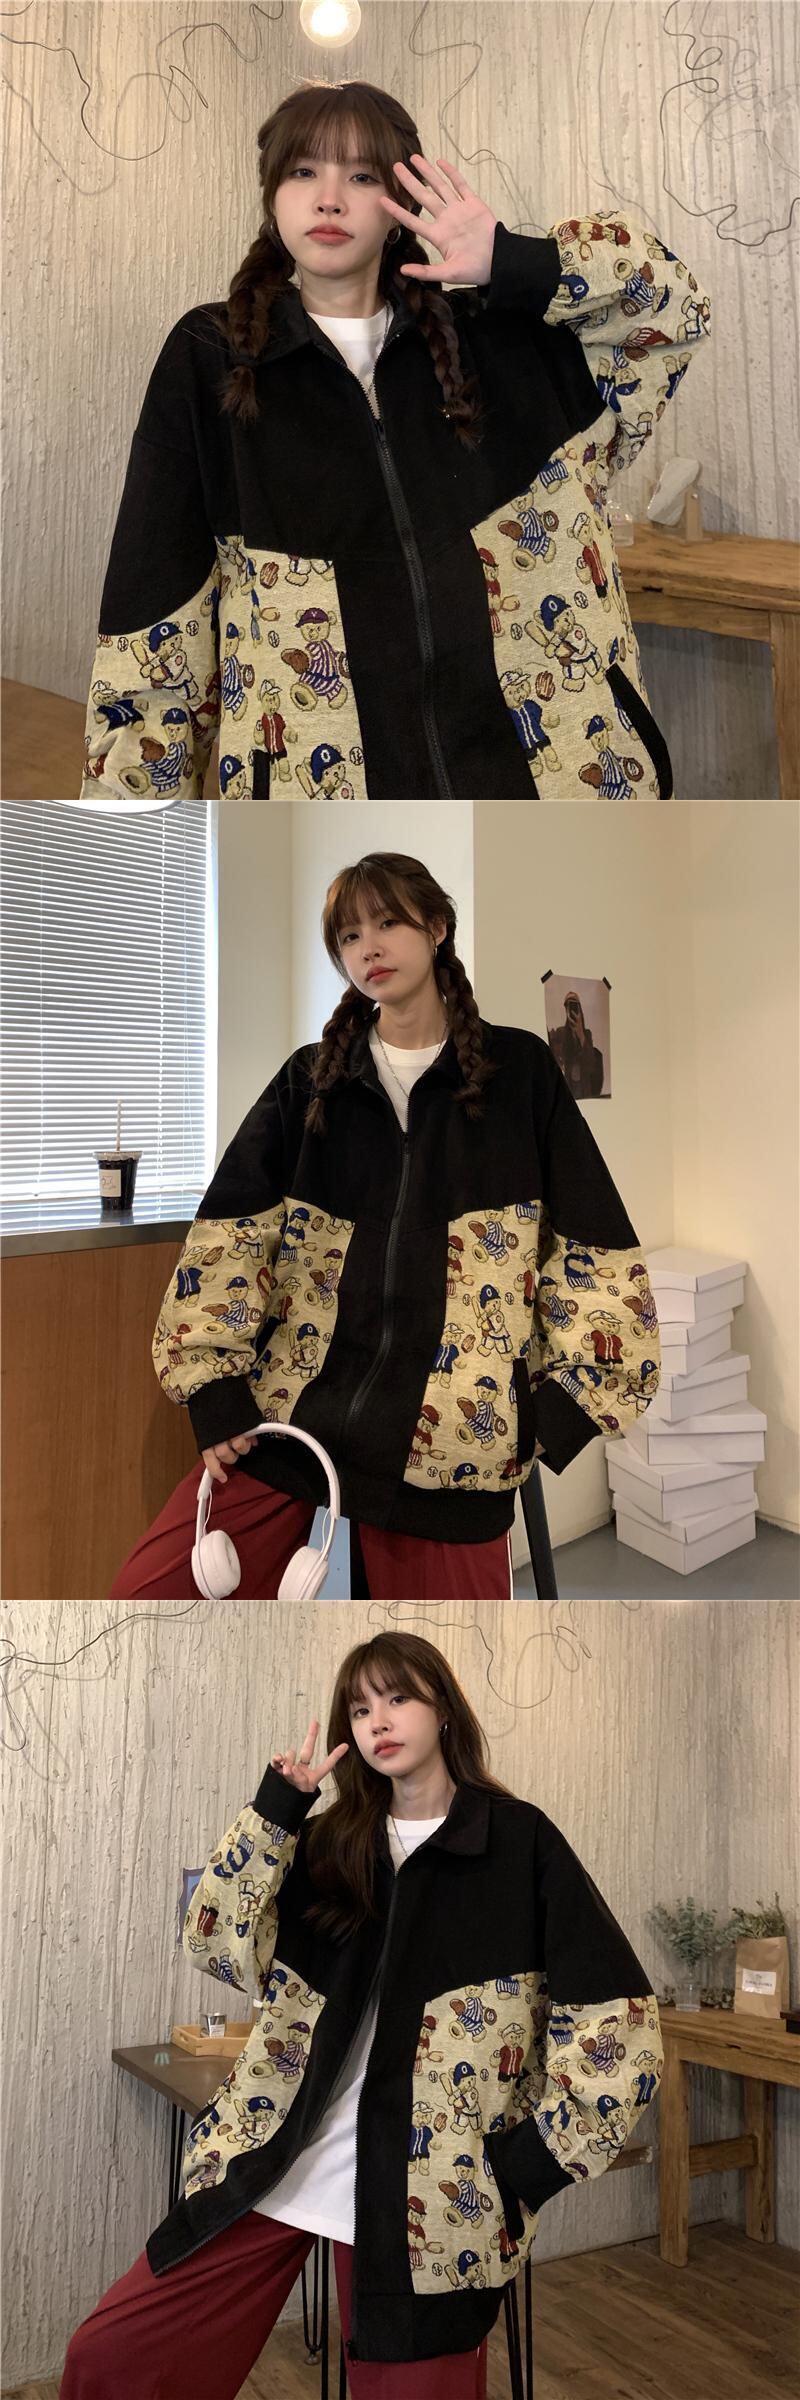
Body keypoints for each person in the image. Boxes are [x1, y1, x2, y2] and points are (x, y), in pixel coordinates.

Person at [77, 77, 711, 808]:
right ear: (272, 195)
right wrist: (130, 837)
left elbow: (673, 308)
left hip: (561, 788)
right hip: (328, 818)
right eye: (303, 171)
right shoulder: (212, 359)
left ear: (398, 204)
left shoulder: (499, 336)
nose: (329, 199)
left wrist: (511, 261)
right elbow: (155, 611)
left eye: (361, 176)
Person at [60, 1631, 664, 2397]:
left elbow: (619, 2025)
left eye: (398, 1697)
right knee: (110, 2360)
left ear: (444, 1709)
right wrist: (277, 1811)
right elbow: (215, 1943)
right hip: (279, 2156)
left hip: (432, 2203)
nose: (378, 1720)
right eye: (359, 1707)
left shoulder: (517, 1844)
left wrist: (523, 2170)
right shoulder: (328, 1845)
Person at [110, 850, 660, 1601]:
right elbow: (229, 1238)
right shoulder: (310, 1081)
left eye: (388, 923)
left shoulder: (521, 1074)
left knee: (440, 1656)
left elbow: (592, 1249)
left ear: (436, 927)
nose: (367, 947)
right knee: (145, 1598)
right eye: (348, 935)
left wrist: (551, 1413)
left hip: (453, 1455)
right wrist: (214, 1392)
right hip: (290, 1424)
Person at [548, 991, 605, 1099]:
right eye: (568, 1004)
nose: (571, 1007)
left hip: (584, 1087)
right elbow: (557, 1056)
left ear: (580, 1007)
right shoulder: (560, 1032)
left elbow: (590, 1061)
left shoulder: (586, 1034)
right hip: (568, 1085)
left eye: (575, 1003)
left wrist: (580, 1034)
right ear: (566, 1008)